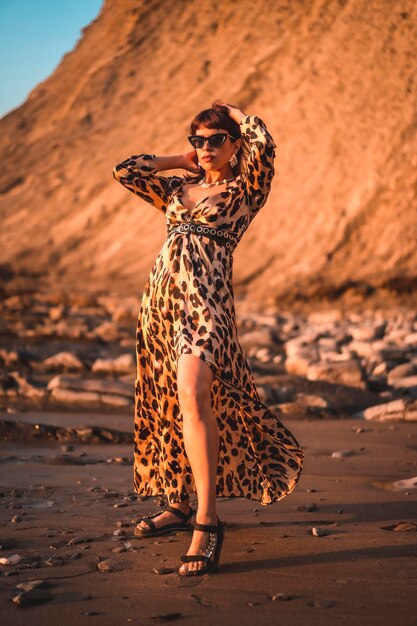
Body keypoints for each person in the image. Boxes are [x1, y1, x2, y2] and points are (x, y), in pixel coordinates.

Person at [112, 100, 304, 576]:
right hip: (161, 303)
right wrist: (182, 159)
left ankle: (207, 520)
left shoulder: (247, 188)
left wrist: (232, 113)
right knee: (168, 401)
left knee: (196, 396)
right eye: (198, 140)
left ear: (234, 146)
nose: (205, 148)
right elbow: (126, 171)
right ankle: (176, 503)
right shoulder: (179, 187)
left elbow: (264, 142)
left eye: (215, 140)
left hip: (206, 306)